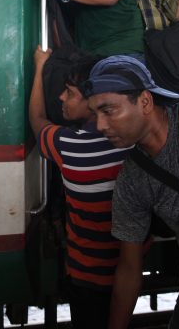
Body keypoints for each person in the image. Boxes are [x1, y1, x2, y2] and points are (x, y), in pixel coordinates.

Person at [83, 55, 179, 328]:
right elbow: (129, 268)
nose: (100, 126)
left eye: (109, 111)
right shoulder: (132, 180)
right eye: (95, 114)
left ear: (144, 101)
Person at [29, 46, 131, 328]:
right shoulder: (134, 144)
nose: (61, 97)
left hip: (85, 276)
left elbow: (37, 120)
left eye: (70, 93)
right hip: (129, 270)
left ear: (94, 101)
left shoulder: (71, 145)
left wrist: (39, 69)